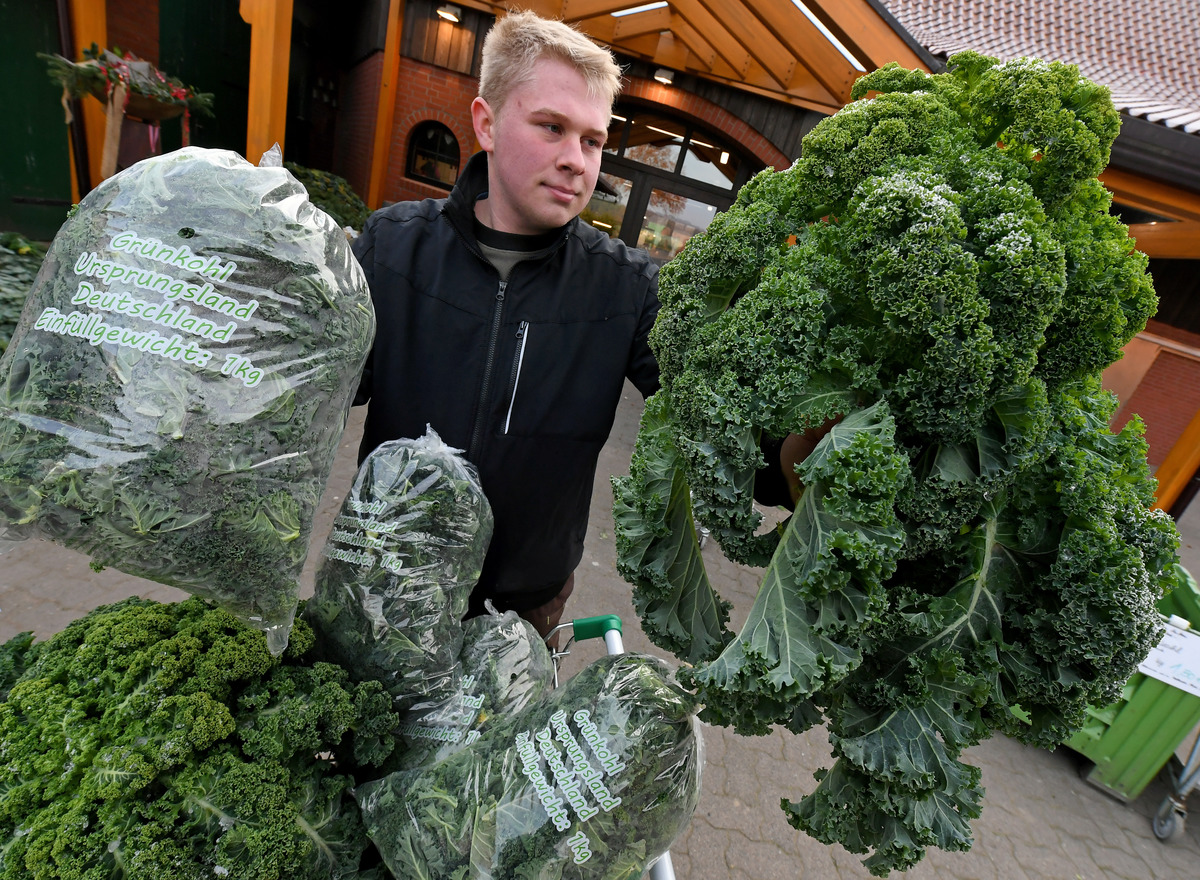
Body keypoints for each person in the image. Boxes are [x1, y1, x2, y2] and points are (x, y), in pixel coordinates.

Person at [351, 11, 654, 641]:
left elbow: (733, 432)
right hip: (383, 589)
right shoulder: (392, 249)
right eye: (552, 127)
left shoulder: (625, 288)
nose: (576, 161)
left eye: (593, 141)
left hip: (525, 613)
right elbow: (311, 392)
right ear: (486, 123)